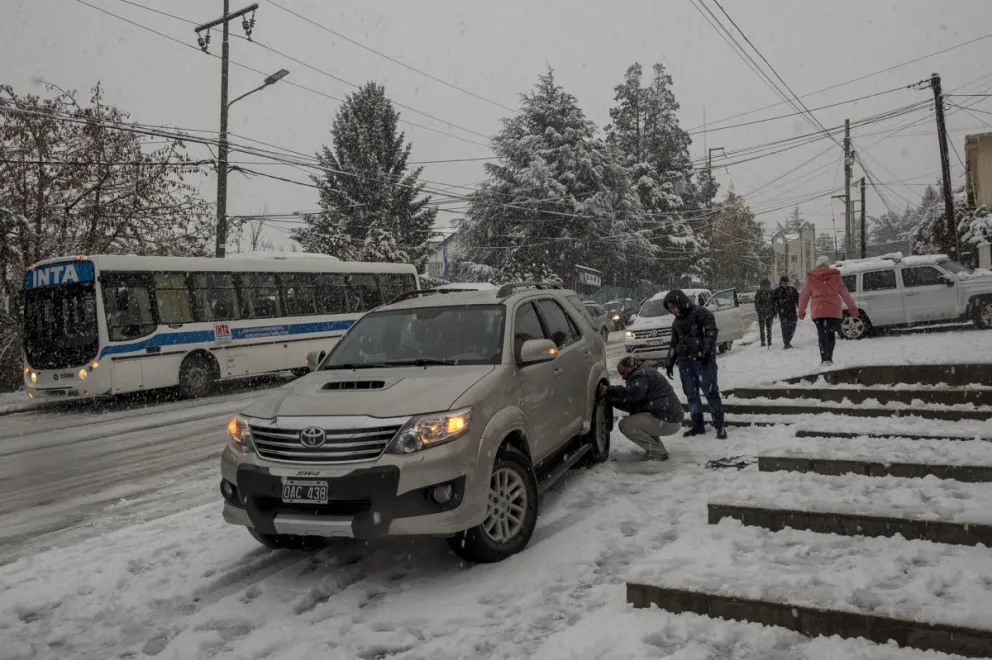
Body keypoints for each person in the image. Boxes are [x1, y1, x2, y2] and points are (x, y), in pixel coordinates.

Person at [662, 289, 727, 439]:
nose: (673, 311)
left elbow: (711, 332)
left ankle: (720, 426)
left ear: (680, 303)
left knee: (710, 392)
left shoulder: (701, 313)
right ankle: (698, 425)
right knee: (691, 394)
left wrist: (706, 352)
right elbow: (674, 343)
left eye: (673, 307)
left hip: (703, 361)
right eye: (670, 309)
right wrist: (669, 362)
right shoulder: (676, 323)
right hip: (685, 362)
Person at [599, 357, 683, 460]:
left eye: (623, 372)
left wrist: (610, 391)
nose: (622, 377)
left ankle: (657, 452)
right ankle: (657, 449)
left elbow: (633, 394)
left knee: (625, 425)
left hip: (667, 419)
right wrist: (613, 401)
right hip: (671, 418)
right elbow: (631, 404)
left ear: (630, 368)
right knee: (642, 421)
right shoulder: (643, 373)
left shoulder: (641, 375)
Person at [799, 255, 860, 366]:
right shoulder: (835, 276)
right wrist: (852, 308)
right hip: (833, 311)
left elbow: (804, 295)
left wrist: (801, 311)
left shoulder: (811, 277)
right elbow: (845, 293)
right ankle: (829, 357)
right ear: (828, 264)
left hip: (818, 311)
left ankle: (824, 359)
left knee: (822, 334)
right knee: (831, 334)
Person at [771, 275, 800, 349]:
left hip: (792, 312)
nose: (785, 284)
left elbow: (798, 299)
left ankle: (788, 339)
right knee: (785, 327)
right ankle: (786, 343)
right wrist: (774, 311)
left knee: (793, 326)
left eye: (786, 282)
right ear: (780, 283)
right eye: (783, 283)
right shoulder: (776, 291)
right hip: (783, 313)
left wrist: (800, 306)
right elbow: (773, 303)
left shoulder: (792, 290)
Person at [753, 279, 775, 347]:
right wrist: (774, 311)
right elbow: (774, 302)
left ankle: (763, 342)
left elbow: (756, 302)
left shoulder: (759, 292)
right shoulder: (771, 291)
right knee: (769, 327)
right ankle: (769, 341)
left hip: (762, 312)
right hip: (769, 311)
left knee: (762, 328)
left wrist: (759, 310)